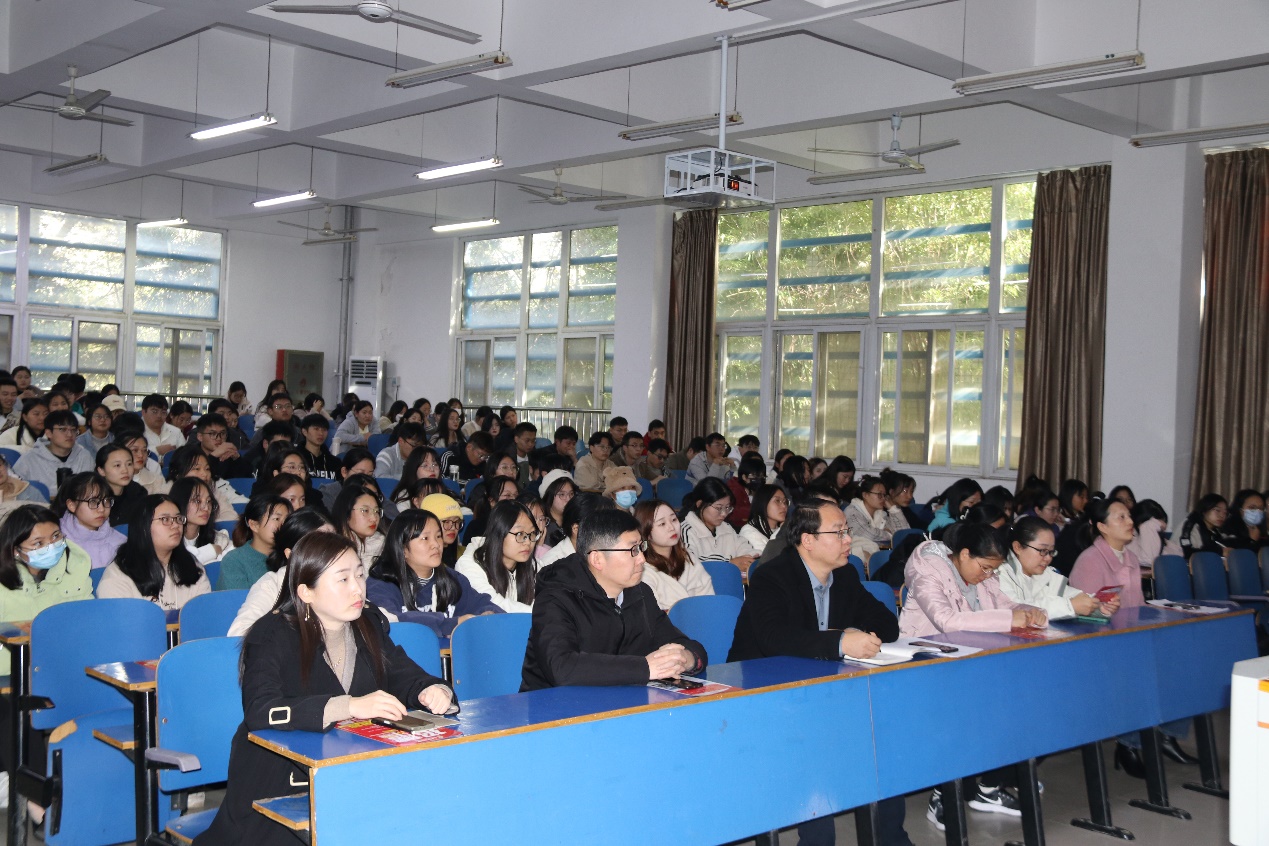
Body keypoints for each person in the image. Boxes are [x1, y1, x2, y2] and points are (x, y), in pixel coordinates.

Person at [195, 533, 455, 846]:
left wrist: (431, 689)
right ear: (306, 591)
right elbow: (260, 709)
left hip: (348, 774)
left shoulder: (368, 623)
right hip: (278, 785)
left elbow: (401, 672)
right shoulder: (272, 633)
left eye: (359, 575)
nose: (357, 588)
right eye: (343, 579)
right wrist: (348, 706)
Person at [727, 495, 908, 846]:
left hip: (823, 689)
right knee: (818, 753)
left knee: (884, 740)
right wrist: (840, 641)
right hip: (765, 691)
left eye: (847, 531)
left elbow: (888, 624)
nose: (848, 540)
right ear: (807, 540)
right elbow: (773, 639)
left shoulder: (846, 575)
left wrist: (856, 634)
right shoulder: (772, 577)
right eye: (838, 532)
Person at [1069, 497, 1198, 774]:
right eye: (1121, 517)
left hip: (1129, 638)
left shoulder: (1128, 557)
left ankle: (1166, 735)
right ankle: (1129, 745)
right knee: (1139, 670)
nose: (1130, 522)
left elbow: (1136, 607)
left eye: (1129, 516)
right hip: (1100, 644)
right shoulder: (1090, 560)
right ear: (1102, 526)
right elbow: (1084, 618)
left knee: (1185, 663)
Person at [521, 509, 706, 691]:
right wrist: (644, 668)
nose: (642, 559)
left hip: (620, 701)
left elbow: (681, 642)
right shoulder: (555, 598)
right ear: (597, 559)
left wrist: (686, 658)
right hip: (554, 705)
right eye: (633, 550)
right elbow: (561, 667)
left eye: (641, 547)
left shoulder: (640, 593)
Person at [367, 510, 503, 636]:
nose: (436, 544)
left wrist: (487, 615)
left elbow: (483, 604)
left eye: (438, 536)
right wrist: (451, 624)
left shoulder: (452, 579)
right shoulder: (381, 582)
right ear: (403, 548)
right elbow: (389, 619)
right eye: (425, 538)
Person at [899, 522, 1046, 638]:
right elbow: (947, 622)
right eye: (985, 567)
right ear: (965, 554)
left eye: (993, 570)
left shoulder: (983, 577)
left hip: (966, 647)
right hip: (924, 651)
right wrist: (1008, 619)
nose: (988, 574)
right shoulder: (928, 574)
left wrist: (1032, 612)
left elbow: (1005, 606)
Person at [0, 505, 94, 675]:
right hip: (10, 672)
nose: (51, 546)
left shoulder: (75, 569)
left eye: (56, 536)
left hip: (66, 666)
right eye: (38, 543)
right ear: (15, 550)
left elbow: (89, 621)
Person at [227, 508, 335, 637]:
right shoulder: (271, 585)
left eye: (334, 541)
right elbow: (239, 632)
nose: (331, 550)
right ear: (290, 554)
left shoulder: (347, 578)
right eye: (318, 543)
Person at [96, 494, 212, 609]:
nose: (176, 525)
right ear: (143, 527)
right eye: (165, 519)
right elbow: (123, 620)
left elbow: (204, 614)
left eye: (178, 518)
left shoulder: (192, 566)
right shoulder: (117, 578)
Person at [998, 516, 1118, 620]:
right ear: (1018, 547)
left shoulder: (1047, 575)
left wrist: (1099, 606)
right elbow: (1016, 609)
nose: (1048, 558)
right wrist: (1070, 606)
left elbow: (1073, 596)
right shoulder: (999, 574)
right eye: (1043, 550)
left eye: (1051, 552)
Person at [455, 501, 540, 612]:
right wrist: (539, 614)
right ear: (499, 533)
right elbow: (492, 605)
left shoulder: (534, 566)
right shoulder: (469, 565)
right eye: (520, 534)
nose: (528, 542)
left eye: (532, 533)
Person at [634, 500, 714, 611]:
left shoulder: (689, 558)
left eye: (674, 519)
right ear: (646, 532)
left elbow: (709, 601)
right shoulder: (642, 570)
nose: (672, 527)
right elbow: (651, 615)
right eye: (662, 524)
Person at [679, 477, 758, 577]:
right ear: (699, 504)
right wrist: (730, 562)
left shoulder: (726, 528)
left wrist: (750, 557)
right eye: (718, 508)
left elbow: (743, 546)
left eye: (727, 507)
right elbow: (690, 562)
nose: (724, 513)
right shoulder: (686, 530)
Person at [219, 495, 292, 590]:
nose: (284, 525)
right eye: (277, 519)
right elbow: (237, 598)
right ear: (254, 525)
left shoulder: (292, 555)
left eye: (287, 520)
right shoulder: (234, 561)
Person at [54, 473, 125, 569]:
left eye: (106, 501)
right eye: (93, 502)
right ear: (72, 505)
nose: (102, 509)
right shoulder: (55, 539)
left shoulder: (119, 542)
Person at [843, 475, 906, 565]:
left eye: (884, 495)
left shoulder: (880, 514)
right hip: (855, 558)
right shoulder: (852, 512)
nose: (883, 498)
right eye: (879, 495)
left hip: (875, 555)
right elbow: (869, 534)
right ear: (865, 495)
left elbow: (902, 534)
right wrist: (889, 534)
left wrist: (893, 509)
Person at [166, 447, 239, 522]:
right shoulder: (166, 496)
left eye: (207, 469)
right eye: (197, 469)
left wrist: (206, 523)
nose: (204, 474)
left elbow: (231, 516)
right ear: (177, 474)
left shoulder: (213, 491)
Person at [169, 477, 230, 567]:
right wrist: (210, 551)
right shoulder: (167, 541)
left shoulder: (220, 540)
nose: (206, 507)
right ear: (181, 502)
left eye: (209, 501)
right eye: (197, 501)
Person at [331, 486, 385, 570]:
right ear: (346, 513)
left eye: (376, 511)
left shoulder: (383, 544)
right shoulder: (333, 550)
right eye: (365, 510)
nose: (374, 518)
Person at [96, 443, 150, 527]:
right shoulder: (94, 498)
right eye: (117, 465)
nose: (125, 470)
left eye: (129, 464)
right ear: (101, 470)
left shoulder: (138, 492)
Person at [462, 475, 520, 543]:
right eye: (507, 495)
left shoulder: (523, 524)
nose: (513, 499)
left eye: (516, 495)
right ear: (492, 501)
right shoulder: (477, 527)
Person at [1125, 499, 1182, 567]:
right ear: (1140, 525)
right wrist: (1148, 527)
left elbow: (1179, 557)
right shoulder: (1130, 543)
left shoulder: (1165, 543)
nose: (1161, 527)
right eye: (1156, 524)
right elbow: (1148, 560)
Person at [1179, 493, 1233, 559]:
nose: (1222, 516)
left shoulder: (1215, 531)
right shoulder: (1190, 525)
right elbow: (1186, 553)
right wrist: (1220, 551)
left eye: (1225, 513)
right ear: (1204, 510)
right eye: (1217, 510)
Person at [739, 484, 787, 555]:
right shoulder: (749, 532)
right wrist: (781, 531)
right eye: (777, 501)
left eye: (785, 502)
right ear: (763, 502)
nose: (784, 506)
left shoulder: (779, 528)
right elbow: (768, 558)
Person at [726, 453, 766, 530]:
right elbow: (733, 513)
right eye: (755, 476)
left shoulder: (756, 489)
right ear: (744, 477)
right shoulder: (734, 490)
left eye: (762, 476)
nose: (760, 479)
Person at [297, 414, 341, 483]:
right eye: (316, 429)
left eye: (324, 429)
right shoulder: (296, 459)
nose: (321, 433)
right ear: (304, 432)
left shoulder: (335, 462)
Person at [505, 422, 538, 486]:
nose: (530, 444)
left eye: (533, 441)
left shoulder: (535, 456)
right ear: (516, 439)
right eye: (527, 441)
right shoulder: (507, 457)